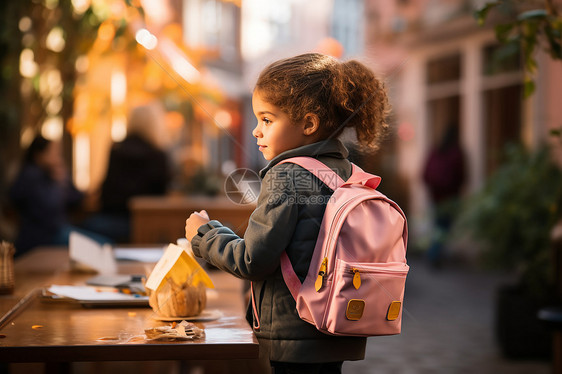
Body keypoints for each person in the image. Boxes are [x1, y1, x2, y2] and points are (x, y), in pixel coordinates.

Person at [185, 53, 390, 373]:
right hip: (336, 324)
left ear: (309, 124)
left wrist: (204, 233)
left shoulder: (287, 176)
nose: (256, 131)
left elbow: (253, 260)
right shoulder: (347, 170)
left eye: (267, 119)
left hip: (294, 332)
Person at [84, 103, 171, 242]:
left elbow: (106, 187)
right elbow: (162, 194)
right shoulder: (158, 155)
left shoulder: (116, 149)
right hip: (145, 225)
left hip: (107, 220)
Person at [9, 135, 85, 256]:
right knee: (99, 246)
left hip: (57, 230)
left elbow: (76, 198)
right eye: (53, 152)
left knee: (99, 245)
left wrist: (63, 180)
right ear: (39, 154)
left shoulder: (48, 174)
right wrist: (59, 183)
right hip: (44, 235)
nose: (57, 157)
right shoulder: (31, 175)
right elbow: (50, 206)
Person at [422, 123, 466, 268]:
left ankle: (435, 254)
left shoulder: (436, 150)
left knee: (439, 226)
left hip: (436, 196)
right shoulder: (456, 152)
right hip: (450, 196)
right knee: (444, 227)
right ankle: (434, 254)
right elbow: (462, 176)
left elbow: (425, 173)